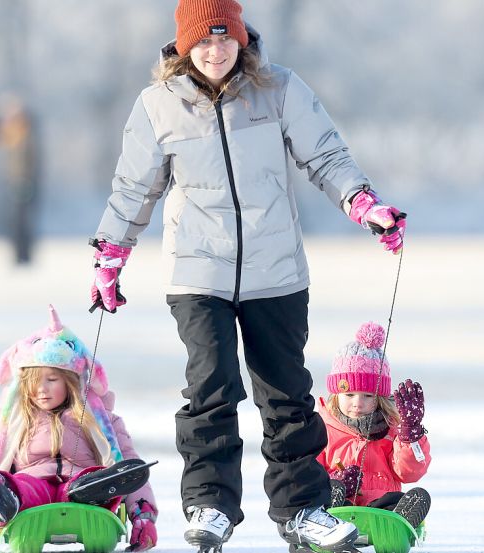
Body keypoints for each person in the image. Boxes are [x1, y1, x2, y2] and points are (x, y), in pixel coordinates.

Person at [88, 1, 406, 551]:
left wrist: (364, 204)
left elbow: (326, 157)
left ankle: (302, 508)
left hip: (276, 271)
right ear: (185, 46)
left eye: (226, 40)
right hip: (197, 273)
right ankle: (210, 503)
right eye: (204, 42)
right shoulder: (158, 106)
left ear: (242, 40)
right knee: (211, 388)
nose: (216, 52)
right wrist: (110, 256)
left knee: (286, 395)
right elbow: (134, 189)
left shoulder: (278, 89)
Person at [0, 306, 158, 553]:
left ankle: (94, 491)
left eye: (51, 380)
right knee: (19, 484)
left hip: (83, 496)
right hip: (31, 497)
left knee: (90, 480)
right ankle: (5, 498)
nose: (42, 389)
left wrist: (143, 515)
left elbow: (128, 462)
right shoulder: (6, 422)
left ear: (71, 382)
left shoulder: (103, 421)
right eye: (34, 382)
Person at [316, 322, 431, 529]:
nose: (357, 402)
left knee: (399, 499)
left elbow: (409, 473)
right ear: (336, 394)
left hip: (379, 510)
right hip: (340, 507)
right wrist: (335, 479)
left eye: (368, 396)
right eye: (349, 394)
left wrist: (411, 435)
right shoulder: (322, 428)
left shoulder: (393, 428)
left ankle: (399, 522)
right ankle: (326, 517)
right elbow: (307, 471)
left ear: (380, 398)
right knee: (324, 492)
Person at [0, 93, 40, 265]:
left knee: (22, 221)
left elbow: (29, 160)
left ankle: (23, 255)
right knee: (16, 221)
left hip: (24, 182)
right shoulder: (17, 132)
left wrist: (26, 179)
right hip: (16, 181)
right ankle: (20, 255)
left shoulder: (25, 131)